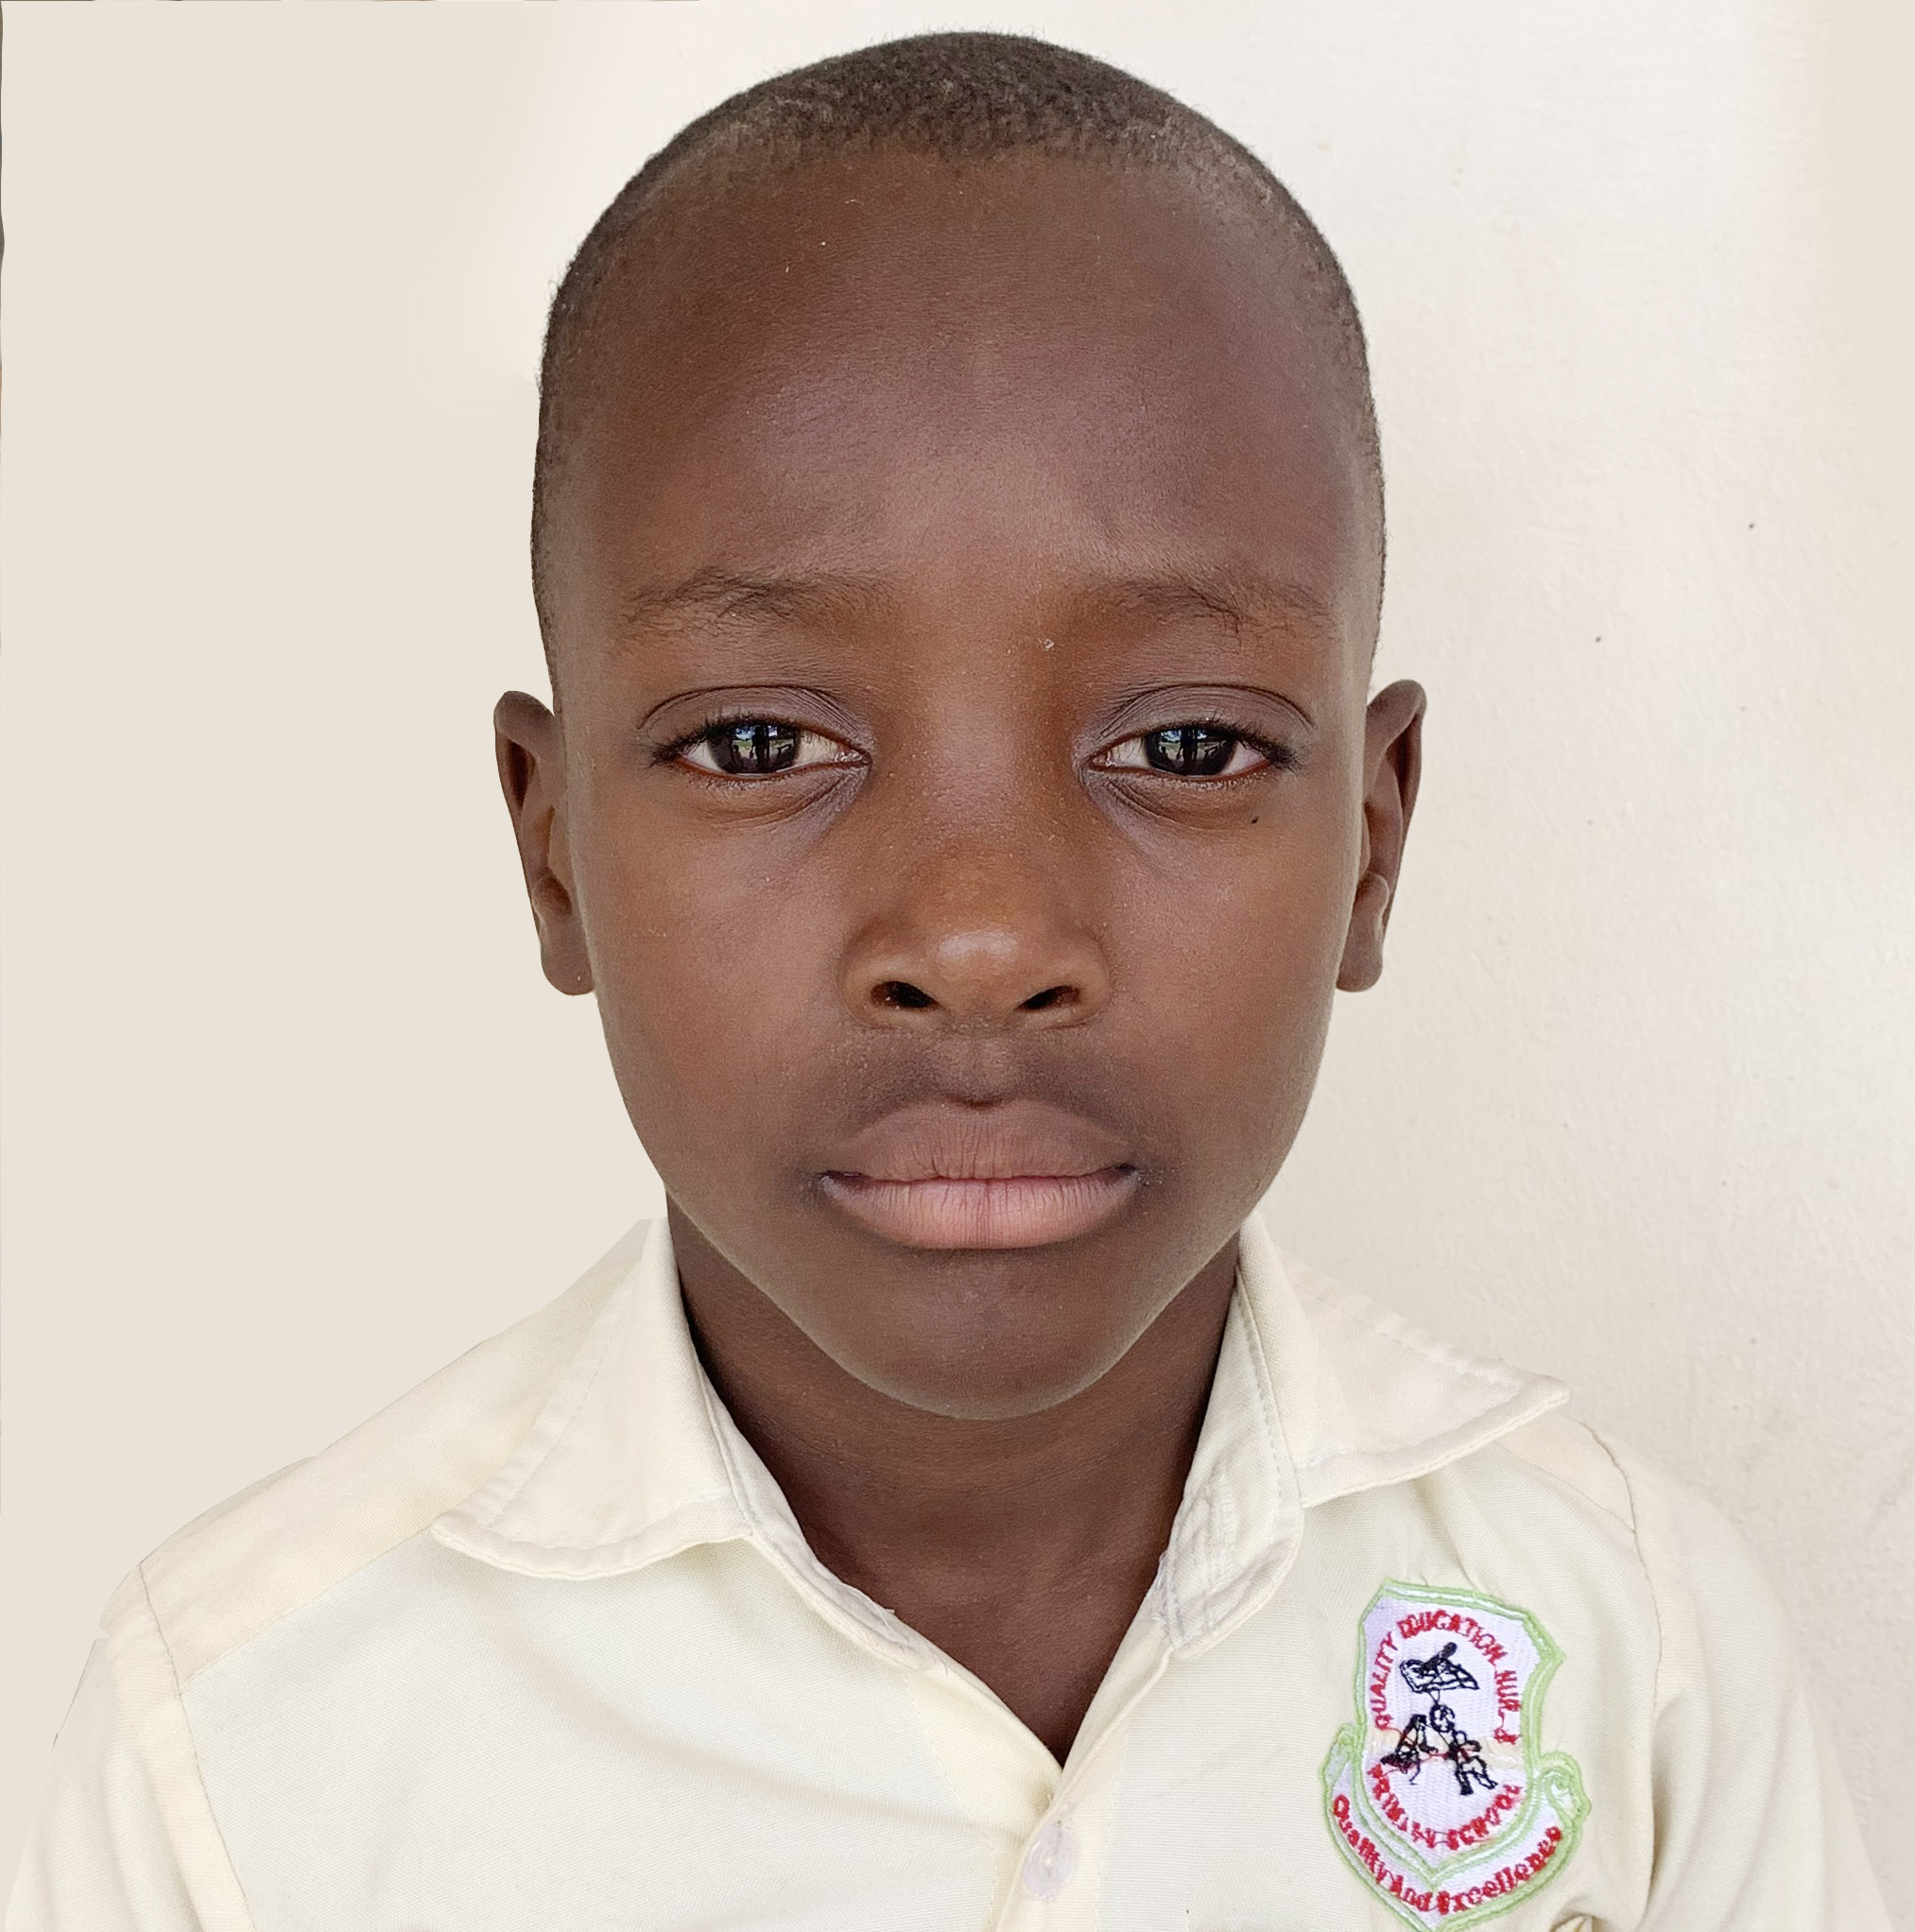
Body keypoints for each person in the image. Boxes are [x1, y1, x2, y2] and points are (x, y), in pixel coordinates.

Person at [7, 31, 1888, 1932]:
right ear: (552, 846)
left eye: (1185, 747)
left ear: (1371, 842)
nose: (980, 941)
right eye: (757, 745)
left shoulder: (1631, 1651)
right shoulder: (244, 1756)